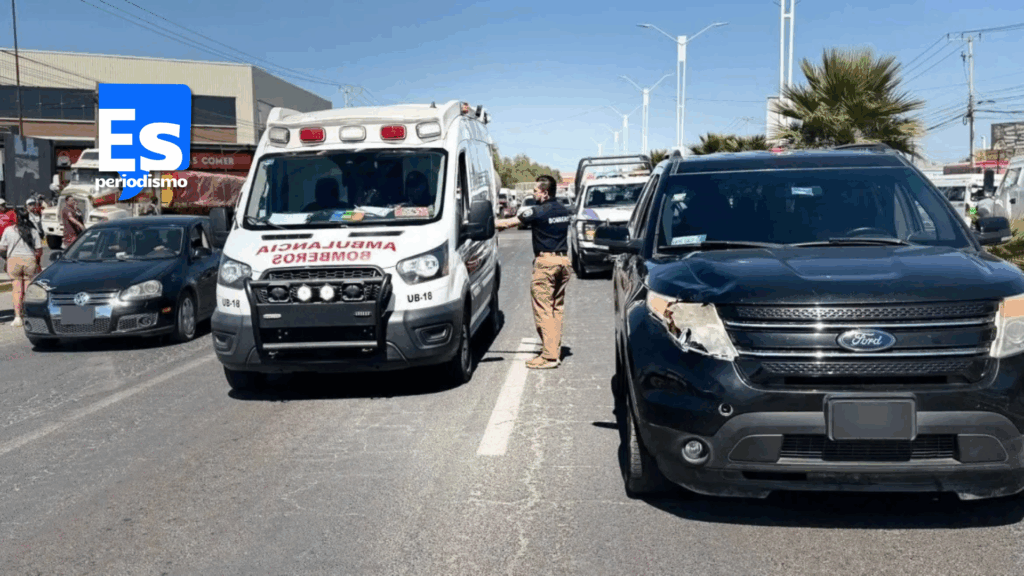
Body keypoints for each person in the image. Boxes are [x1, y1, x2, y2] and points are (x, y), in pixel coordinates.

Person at [494, 175, 572, 369]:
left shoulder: (538, 211)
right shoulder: (564, 210)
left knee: (543, 309)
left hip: (546, 264)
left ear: (545, 193)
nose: (533, 193)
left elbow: (507, 223)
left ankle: (549, 357)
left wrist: (486, 223)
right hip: (563, 262)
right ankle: (554, 350)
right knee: (556, 309)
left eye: (536, 191)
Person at [0, 207, 43, 328]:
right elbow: (39, 250)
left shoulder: (9, 230)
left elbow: (2, 247)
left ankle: (18, 317)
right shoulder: (33, 231)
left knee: (16, 289)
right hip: (29, 260)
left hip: (14, 260)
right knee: (28, 289)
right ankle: (28, 315)